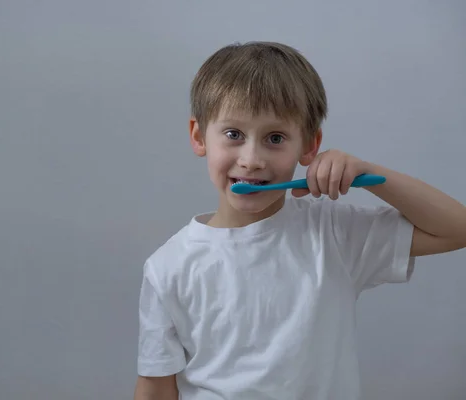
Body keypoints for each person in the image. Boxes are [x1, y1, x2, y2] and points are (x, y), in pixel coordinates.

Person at [132, 41, 466, 400]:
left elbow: (456, 228)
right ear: (199, 136)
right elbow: (156, 388)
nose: (251, 159)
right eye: (234, 135)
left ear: (309, 146)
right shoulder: (168, 267)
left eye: (275, 138)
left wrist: (369, 172)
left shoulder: (333, 235)